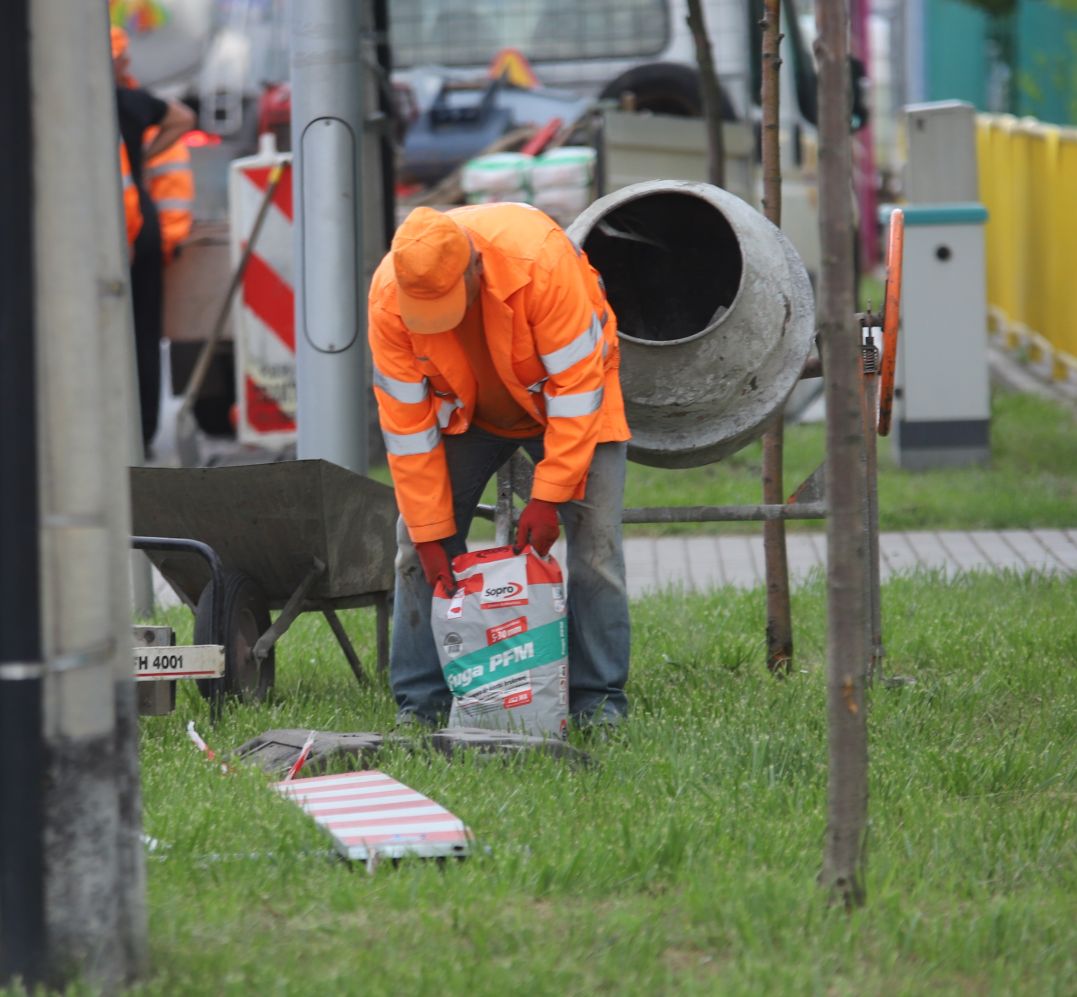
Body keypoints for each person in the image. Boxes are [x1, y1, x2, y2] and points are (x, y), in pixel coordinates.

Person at [367, 203, 632, 729]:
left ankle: (598, 703)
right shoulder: (390, 296)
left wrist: (550, 495)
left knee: (595, 545)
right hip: (469, 414)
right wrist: (429, 532)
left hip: (566, 403)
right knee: (414, 549)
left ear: (475, 268)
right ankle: (421, 706)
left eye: (447, 303)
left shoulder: (540, 263)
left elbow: (577, 391)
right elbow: (406, 428)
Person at [111, 26, 195, 453]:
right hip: (140, 230)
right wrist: (146, 154)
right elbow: (183, 117)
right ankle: (141, 436)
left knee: (105, 335)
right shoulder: (129, 102)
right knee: (143, 335)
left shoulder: (84, 107)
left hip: (109, 233)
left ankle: (113, 433)